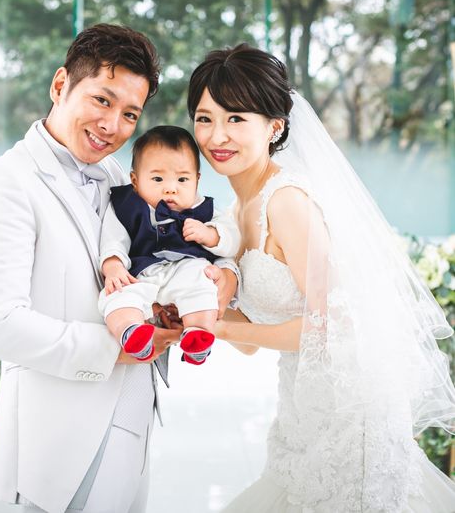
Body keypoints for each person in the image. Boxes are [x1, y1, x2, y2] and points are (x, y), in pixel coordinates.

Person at [0, 24, 238, 513]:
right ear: (60, 84)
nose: (112, 125)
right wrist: (116, 349)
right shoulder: (5, 181)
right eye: (101, 100)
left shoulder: (122, 176)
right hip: (63, 433)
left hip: (136, 415)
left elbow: (171, 251)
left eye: (130, 113)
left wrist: (215, 282)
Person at [186, 43, 455, 512]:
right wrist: (199, 310)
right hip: (303, 411)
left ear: (274, 126)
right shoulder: (235, 211)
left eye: (236, 118)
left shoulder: (287, 202)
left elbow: (332, 326)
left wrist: (221, 329)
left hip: (350, 418)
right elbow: (250, 342)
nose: (217, 135)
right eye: (205, 118)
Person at [98, 125, 240, 365]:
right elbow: (113, 239)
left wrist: (211, 235)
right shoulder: (126, 207)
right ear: (135, 181)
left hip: (186, 269)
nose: (171, 188)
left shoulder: (205, 210)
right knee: (117, 294)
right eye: (157, 179)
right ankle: (130, 331)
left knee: (201, 286)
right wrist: (113, 266)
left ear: (197, 180)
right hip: (141, 273)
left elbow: (233, 240)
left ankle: (198, 335)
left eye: (183, 179)